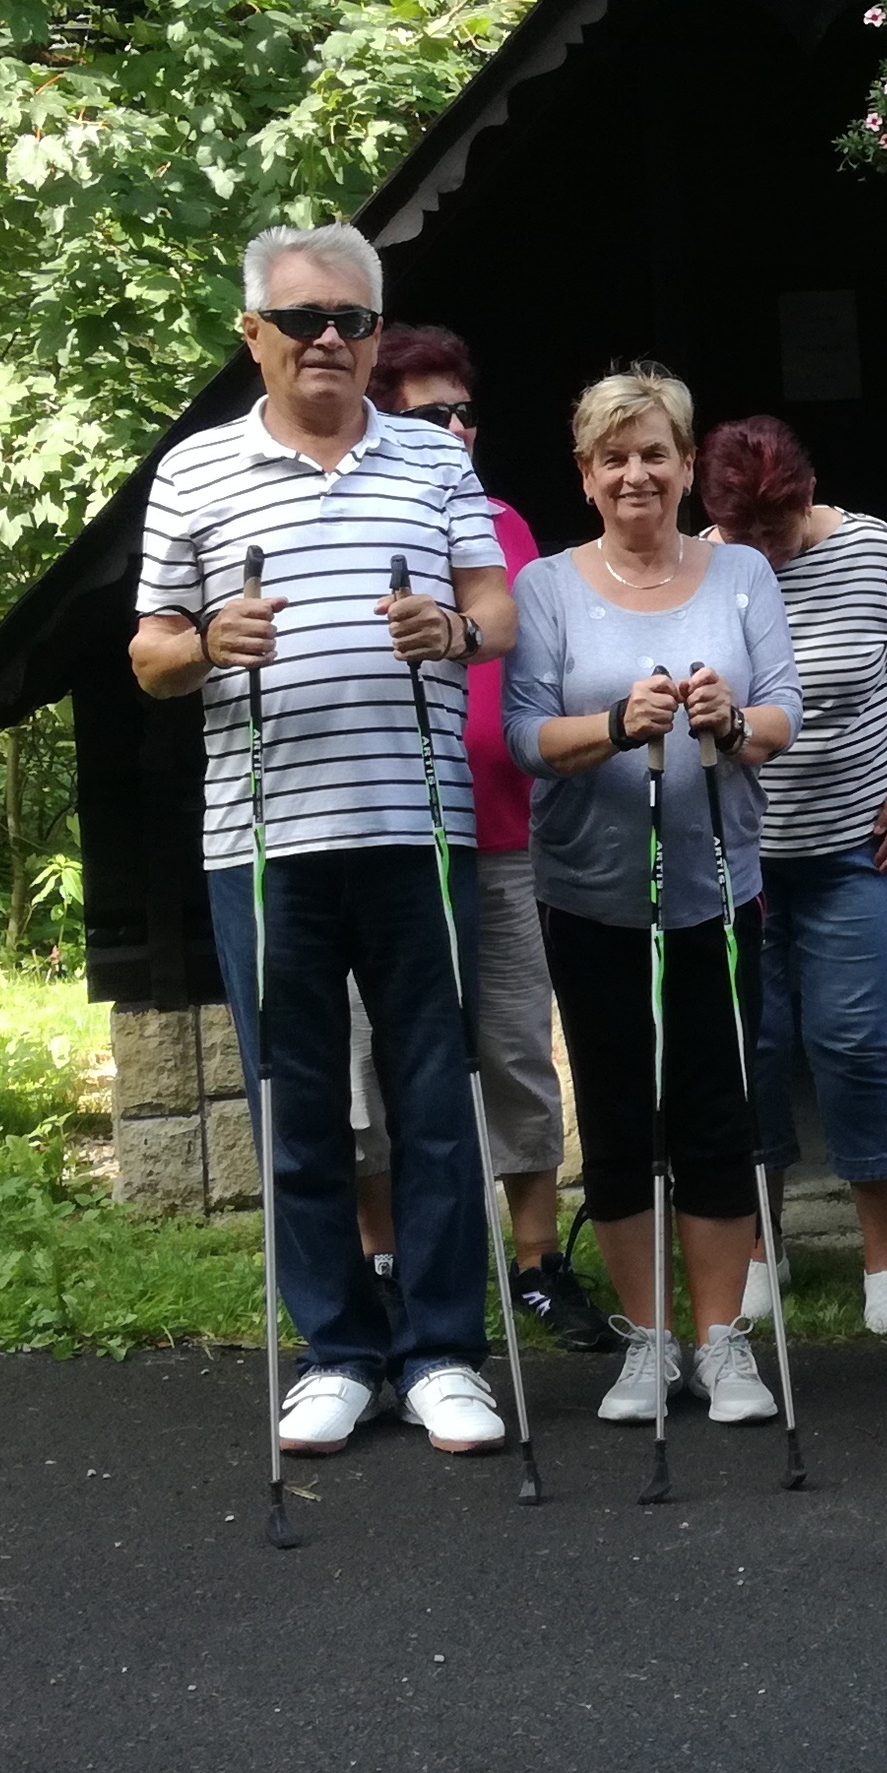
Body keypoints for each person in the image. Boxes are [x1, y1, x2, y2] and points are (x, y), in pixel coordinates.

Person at [127, 224, 518, 1459]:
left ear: (376, 335)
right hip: (263, 837)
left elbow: (497, 609)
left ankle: (443, 1352)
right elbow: (148, 652)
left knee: (434, 1098)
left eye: (351, 320)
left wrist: (451, 634)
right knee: (294, 1105)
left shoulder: (432, 458)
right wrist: (207, 645)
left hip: (420, 823)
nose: (329, 341)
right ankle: (338, 1353)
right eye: (302, 321)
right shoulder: (194, 472)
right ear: (254, 335)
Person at [498, 365, 805, 1431]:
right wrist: (617, 727)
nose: (636, 473)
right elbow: (523, 736)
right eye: (614, 457)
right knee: (620, 1115)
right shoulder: (546, 586)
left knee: (719, 1113)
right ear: (586, 475)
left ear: (685, 466)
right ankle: (648, 1338)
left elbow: (785, 713)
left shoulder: (741, 574)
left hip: (718, 891)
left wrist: (731, 722)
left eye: (655, 453)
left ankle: (721, 1341)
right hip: (591, 895)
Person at [334, 325, 605, 1352]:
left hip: (498, 832)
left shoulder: (502, 523)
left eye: (463, 412)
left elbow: (530, 656)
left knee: (514, 1046)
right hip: (380, 833)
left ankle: (535, 1262)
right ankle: (385, 1262)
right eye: (427, 415)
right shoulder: (352, 517)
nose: (454, 430)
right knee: (368, 1057)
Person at [699, 414, 887, 1339]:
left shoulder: (874, 552)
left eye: (779, 523)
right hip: (737, 855)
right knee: (751, 1048)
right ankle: (764, 1244)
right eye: (744, 529)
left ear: (808, 491)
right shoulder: (700, 565)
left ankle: (884, 1255)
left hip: (853, 847)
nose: (764, 545)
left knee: (853, 1043)